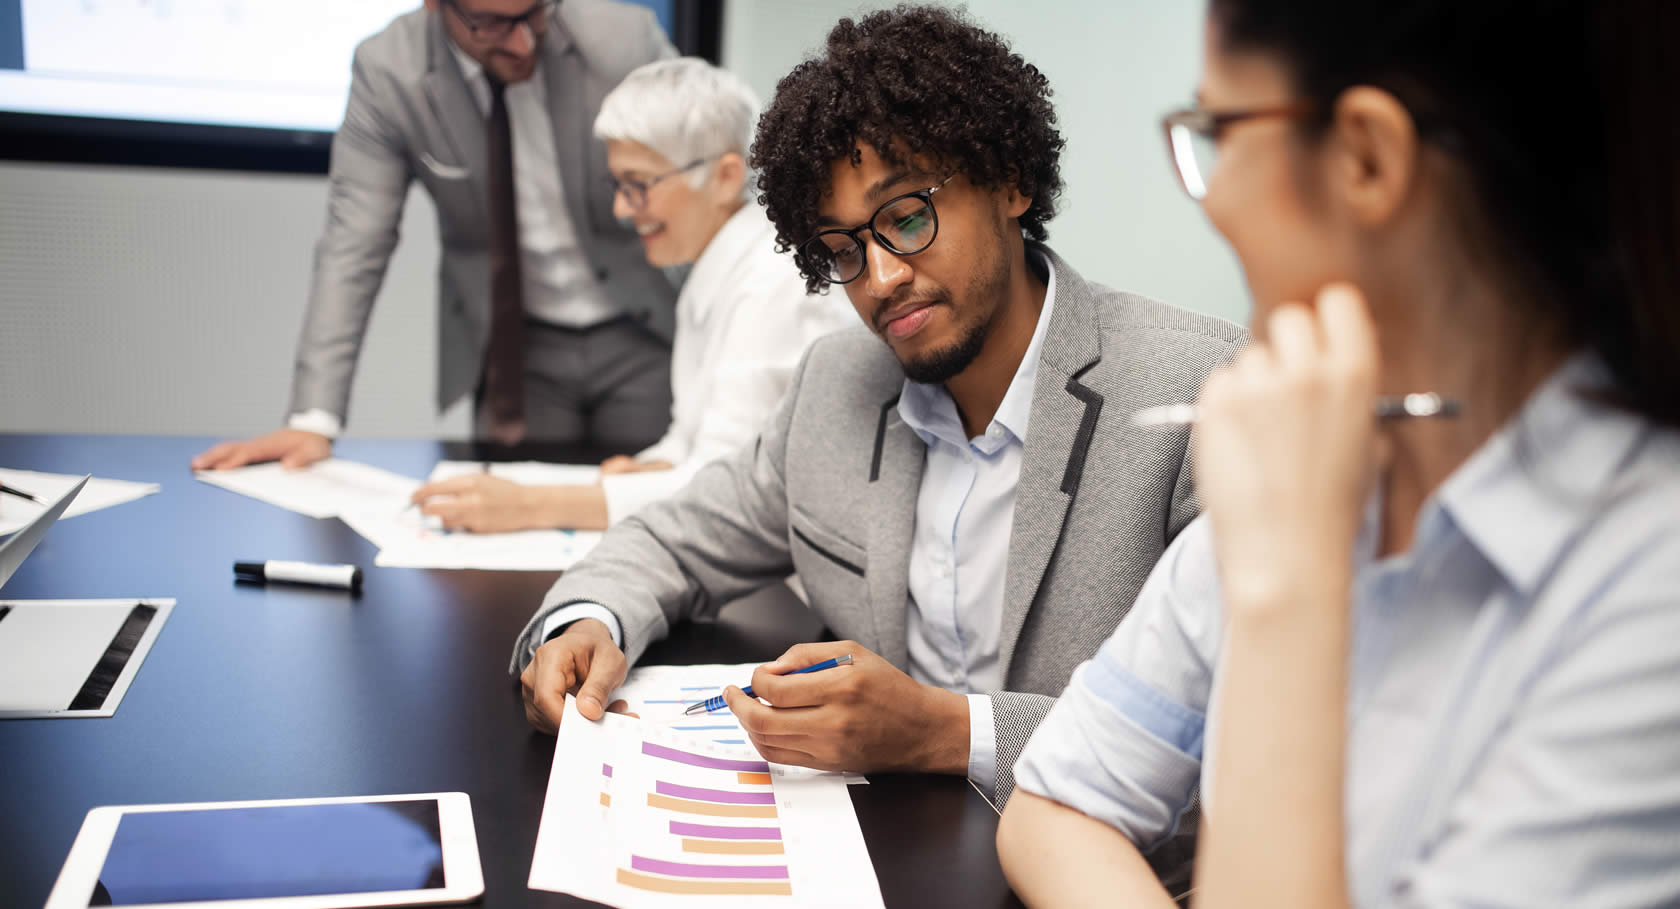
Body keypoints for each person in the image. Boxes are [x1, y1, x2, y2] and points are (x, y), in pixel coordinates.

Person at [996, 1, 1680, 906]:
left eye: (1218, 133)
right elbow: (1055, 804)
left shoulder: (1650, 593)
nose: (1217, 198)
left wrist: (1287, 589)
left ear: (1367, 155)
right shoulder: (1308, 464)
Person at [508, 5, 1245, 809]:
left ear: (1010, 182)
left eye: (907, 218)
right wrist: (585, 621)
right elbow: (673, 539)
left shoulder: (1202, 394)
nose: (881, 279)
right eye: (845, 250)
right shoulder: (840, 382)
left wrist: (945, 732)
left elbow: (1237, 739)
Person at [191, 0, 678, 473]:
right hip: (517, 349)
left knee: (655, 507)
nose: (523, 42)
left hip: (647, 330)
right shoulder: (389, 72)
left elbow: (712, 176)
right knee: (514, 524)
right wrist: (312, 420)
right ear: (434, 5)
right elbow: (353, 245)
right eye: (492, 24)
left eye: (534, 13)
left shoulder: (625, 40)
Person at [406, 58, 854, 533]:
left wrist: (532, 506)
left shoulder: (770, 283)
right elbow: (690, 442)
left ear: (724, 177)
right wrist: (649, 468)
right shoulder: (716, 269)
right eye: (618, 185)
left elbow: (728, 491)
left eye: (639, 186)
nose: (622, 208)